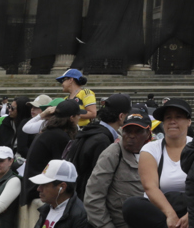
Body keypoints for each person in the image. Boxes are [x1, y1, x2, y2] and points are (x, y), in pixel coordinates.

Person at [123, 98, 192, 228]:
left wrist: (191, 214)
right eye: (168, 118)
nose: (172, 121)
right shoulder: (150, 149)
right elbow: (150, 187)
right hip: (161, 213)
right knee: (132, 205)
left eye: (178, 117)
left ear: (189, 121)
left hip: (191, 209)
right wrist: (170, 214)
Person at [23, 100, 82, 228]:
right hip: (39, 190)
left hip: (32, 188)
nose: (79, 118)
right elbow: (62, 169)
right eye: (78, 115)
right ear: (72, 117)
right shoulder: (59, 136)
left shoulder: (49, 132)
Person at [86, 111, 150, 228]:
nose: (131, 135)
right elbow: (93, 197)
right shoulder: (113, 154)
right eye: (128, 131)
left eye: (138, 131)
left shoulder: (155, 154)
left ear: (148, 134)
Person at [68, 94, 132, 198]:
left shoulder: (92, 131)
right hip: (88, 199)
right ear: (121, 116)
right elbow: (99, 180)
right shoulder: (102, 140)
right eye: (127, 114)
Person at [32, 159, 91, 228]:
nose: (39, 189)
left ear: (62, 187)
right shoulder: (47, 208)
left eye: (44, 185)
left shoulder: (79, 216)